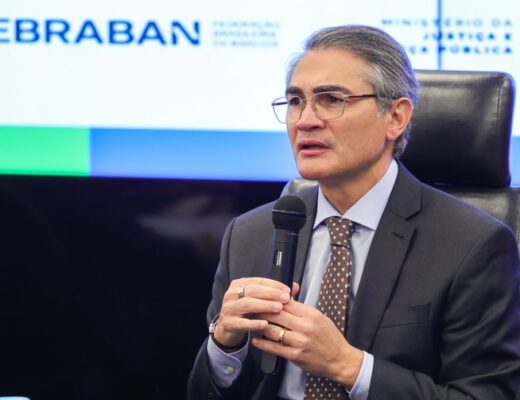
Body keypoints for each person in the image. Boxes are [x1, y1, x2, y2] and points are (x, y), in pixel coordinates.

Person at [187, 25, 520, 400]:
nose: (305, 120)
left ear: (395, 117)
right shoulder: (250, 234)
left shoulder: (472, 244)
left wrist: (348, 366)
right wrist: (224, 347)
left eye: (331, 99)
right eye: (295, 101)